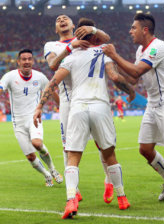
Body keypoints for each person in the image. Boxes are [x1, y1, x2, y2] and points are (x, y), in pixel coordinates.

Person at [34, 17, 135, 219]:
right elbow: (115, 78)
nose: (62, 20)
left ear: (77, 31)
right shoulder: (103, 51)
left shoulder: (70, 57)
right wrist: (131, 91)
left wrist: (39, 106)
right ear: (94, 36)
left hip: (77, 107)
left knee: (72, 156)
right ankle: (121, 197)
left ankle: (71, 199)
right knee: (109, 154)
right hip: (100, 107)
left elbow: (52, 81)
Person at [103, 13, 164, 212]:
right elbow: (135, 79)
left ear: (145, 30)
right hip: (152, 104)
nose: (130, 31)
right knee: (145, 149)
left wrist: (114, 56)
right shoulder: (140, 50)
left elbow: (136, 71)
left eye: (133, 28)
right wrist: (114, 74)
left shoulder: (158, 46)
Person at [44, 14, 113, 203]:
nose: (62, 20)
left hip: (94, 96)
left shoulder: (89, 41)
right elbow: (52, 65)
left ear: (74, 26)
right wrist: (69, 47)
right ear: (56, 29)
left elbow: (107, 40)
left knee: (103, 145)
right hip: (69, 102)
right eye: (58, 19)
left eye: (66, 18)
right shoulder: (52, 46)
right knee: (68, 147)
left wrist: (92, 31)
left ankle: (109, 180)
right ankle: (73, 189)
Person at [0, 49, 63, 187]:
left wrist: (62, 108)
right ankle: (47, 175)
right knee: (30, 156)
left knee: (37, 143)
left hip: (34, 117)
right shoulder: (9, 76)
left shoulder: (40, 77)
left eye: (29, 59)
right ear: (18, 62)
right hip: (18, 122)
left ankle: (52, 169)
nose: (27, 61)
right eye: (24, 59)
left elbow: (51, 91)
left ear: (33, 61)